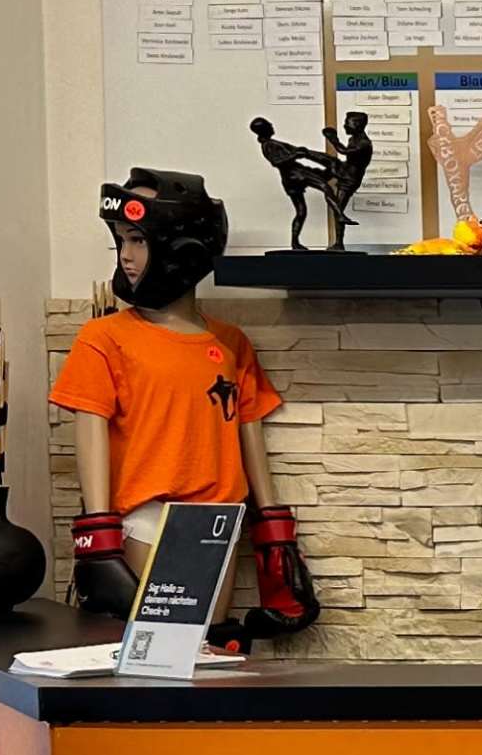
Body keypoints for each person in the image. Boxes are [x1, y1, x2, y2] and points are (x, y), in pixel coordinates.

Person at [52, 169, 317, 641]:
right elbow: (89, 431)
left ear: (184, 248)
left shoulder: (231, 343)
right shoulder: (105, 338)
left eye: (138, 240)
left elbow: (247, 436)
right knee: (160, 657)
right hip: (151, 519)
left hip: (219, 521)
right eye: (120, 242)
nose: (126, 257)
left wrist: (276, 540)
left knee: (210, 651)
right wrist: (99, 540)